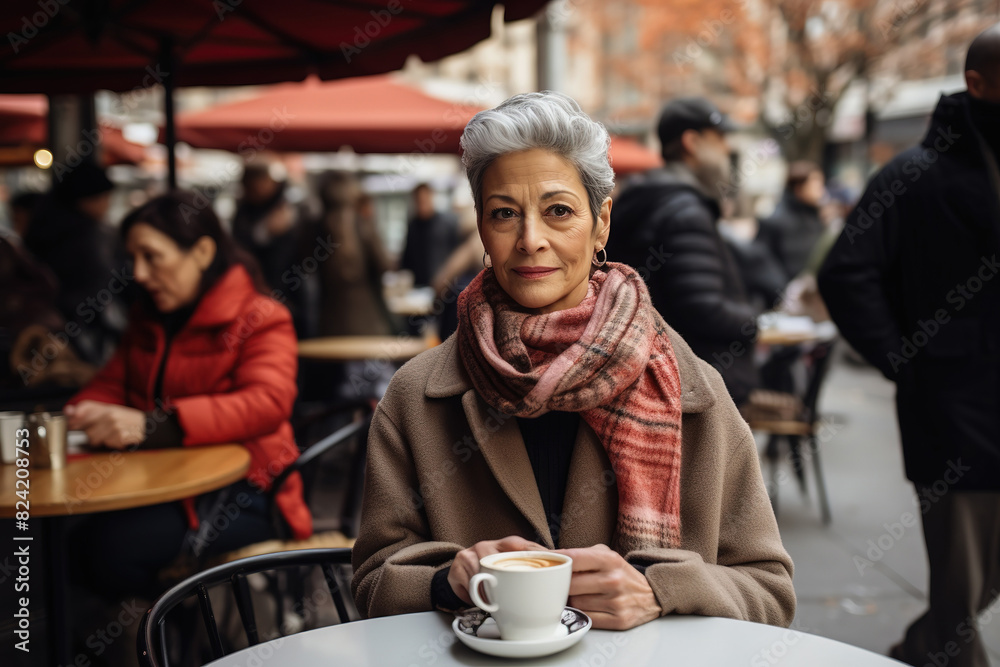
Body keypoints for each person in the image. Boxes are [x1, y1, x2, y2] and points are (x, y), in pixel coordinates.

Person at [351, 92, 795, 629]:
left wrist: (659, 590)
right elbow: (373, 582)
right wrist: (446, 581)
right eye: (504, 214)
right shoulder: (416, 396)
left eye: (558, 211)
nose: (530, 240)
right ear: (481, 226)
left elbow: (769, 592)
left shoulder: (692, 389)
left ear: (601, 222)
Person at [817, 23, 1000, 667]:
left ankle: (921, 647)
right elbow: (844, 272)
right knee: (961, 590)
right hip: (953, 416)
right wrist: (906, 357)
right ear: (977, 83)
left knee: (978, 586)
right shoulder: (915, 174)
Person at [64, 192, 311, 603]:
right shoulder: (150, 319)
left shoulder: (261, 317)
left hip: (246, 494)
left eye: (151, 256)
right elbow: (111, 383)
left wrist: (152, 426)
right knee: (71, 538)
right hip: (163, 482)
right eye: (133, 258)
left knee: (105, 549)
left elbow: (268, 402)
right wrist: (85, 409)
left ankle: (170, 632)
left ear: (201, 251)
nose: (139, 273)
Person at [609, 97, 759, 405]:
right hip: (696, 382)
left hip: (654, 376)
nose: (726, 150)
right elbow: (702, 308)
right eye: (719, 139)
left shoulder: (648, 197)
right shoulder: (685, 210)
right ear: (692, 141)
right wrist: (755, 322)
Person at [23, 159, 126, 365]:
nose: (108, 204)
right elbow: (105, 289)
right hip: (89, 336)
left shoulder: (41, 228)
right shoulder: (94, 236)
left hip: (50, 331)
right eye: (103, 197)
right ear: (84, 199)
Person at [757, 161, 827, 285]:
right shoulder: (775, 221)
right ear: (799, 188)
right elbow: (763, 263)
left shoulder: (816, 218)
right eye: (816, 185)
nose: (821, 190)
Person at [400, 183, 460, 287]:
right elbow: (407, 257)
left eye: (424, 200)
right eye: (419, 201)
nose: (422, 204)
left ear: (431, 197)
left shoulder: (446, 223)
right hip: (419, 286)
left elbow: (456, 254)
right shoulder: (413, 225)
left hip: (445, 285)